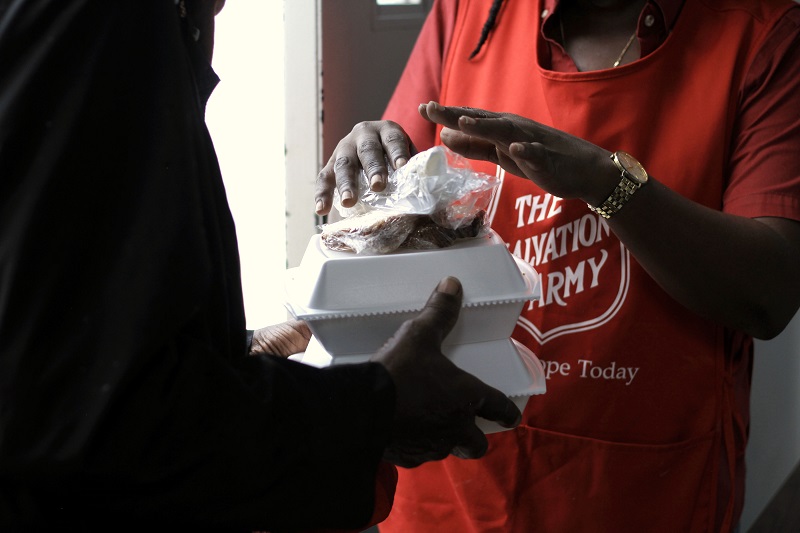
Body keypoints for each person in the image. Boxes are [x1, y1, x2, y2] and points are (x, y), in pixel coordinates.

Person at [0, 1, 523, 530]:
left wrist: (232, 352)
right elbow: (78, 415)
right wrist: (368, 412)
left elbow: (75, 318)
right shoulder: (102, 21)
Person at [315, 0, 800, 531]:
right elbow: (403, 185)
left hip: (637, 487)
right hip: (451, 481)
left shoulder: (764, 34)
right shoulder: (467, 12)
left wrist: (607, 184)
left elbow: (768, 292)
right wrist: (376, 171)